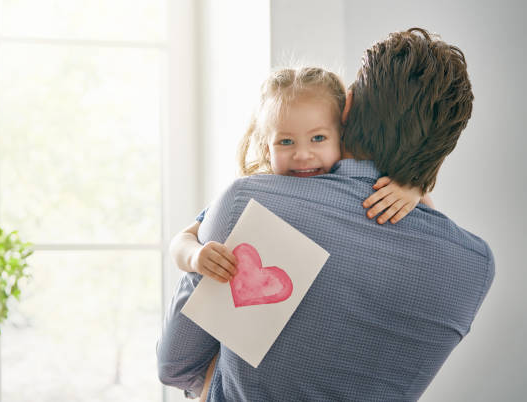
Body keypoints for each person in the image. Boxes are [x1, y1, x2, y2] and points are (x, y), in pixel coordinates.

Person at [157, 27, 495, 401]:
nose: (302, 153)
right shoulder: (474, 266)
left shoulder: (249, 204)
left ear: (346, 107)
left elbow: (175, 366)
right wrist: (417, 181)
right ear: (443, 150)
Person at [170, 66, 431, 284]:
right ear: (265, 147)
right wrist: (195, 256)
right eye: (286, 142)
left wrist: (413, 189)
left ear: (342, 135)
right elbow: (182, 239)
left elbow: (430, 219)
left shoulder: (361, 186)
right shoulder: (258, 192)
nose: (302, 155)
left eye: (318, 138)